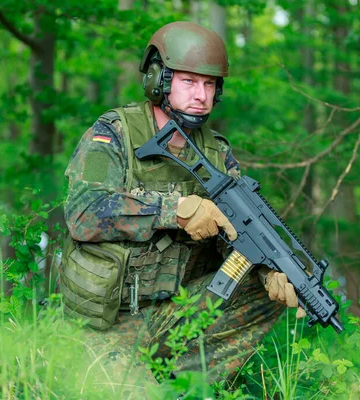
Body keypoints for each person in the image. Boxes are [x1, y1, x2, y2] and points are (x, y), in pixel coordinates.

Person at [61, 21, 305, 395]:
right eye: (189, 82)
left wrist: (268, 272)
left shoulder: (218, 152)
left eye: (210, 85)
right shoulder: (111, 134)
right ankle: (140, 380)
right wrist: (174, 210)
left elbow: (238, 232)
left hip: (174, 313)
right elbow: (83, 210)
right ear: (159, 81)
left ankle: (187, 385)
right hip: (108, 325)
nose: (201, 95)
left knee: (261, 292)